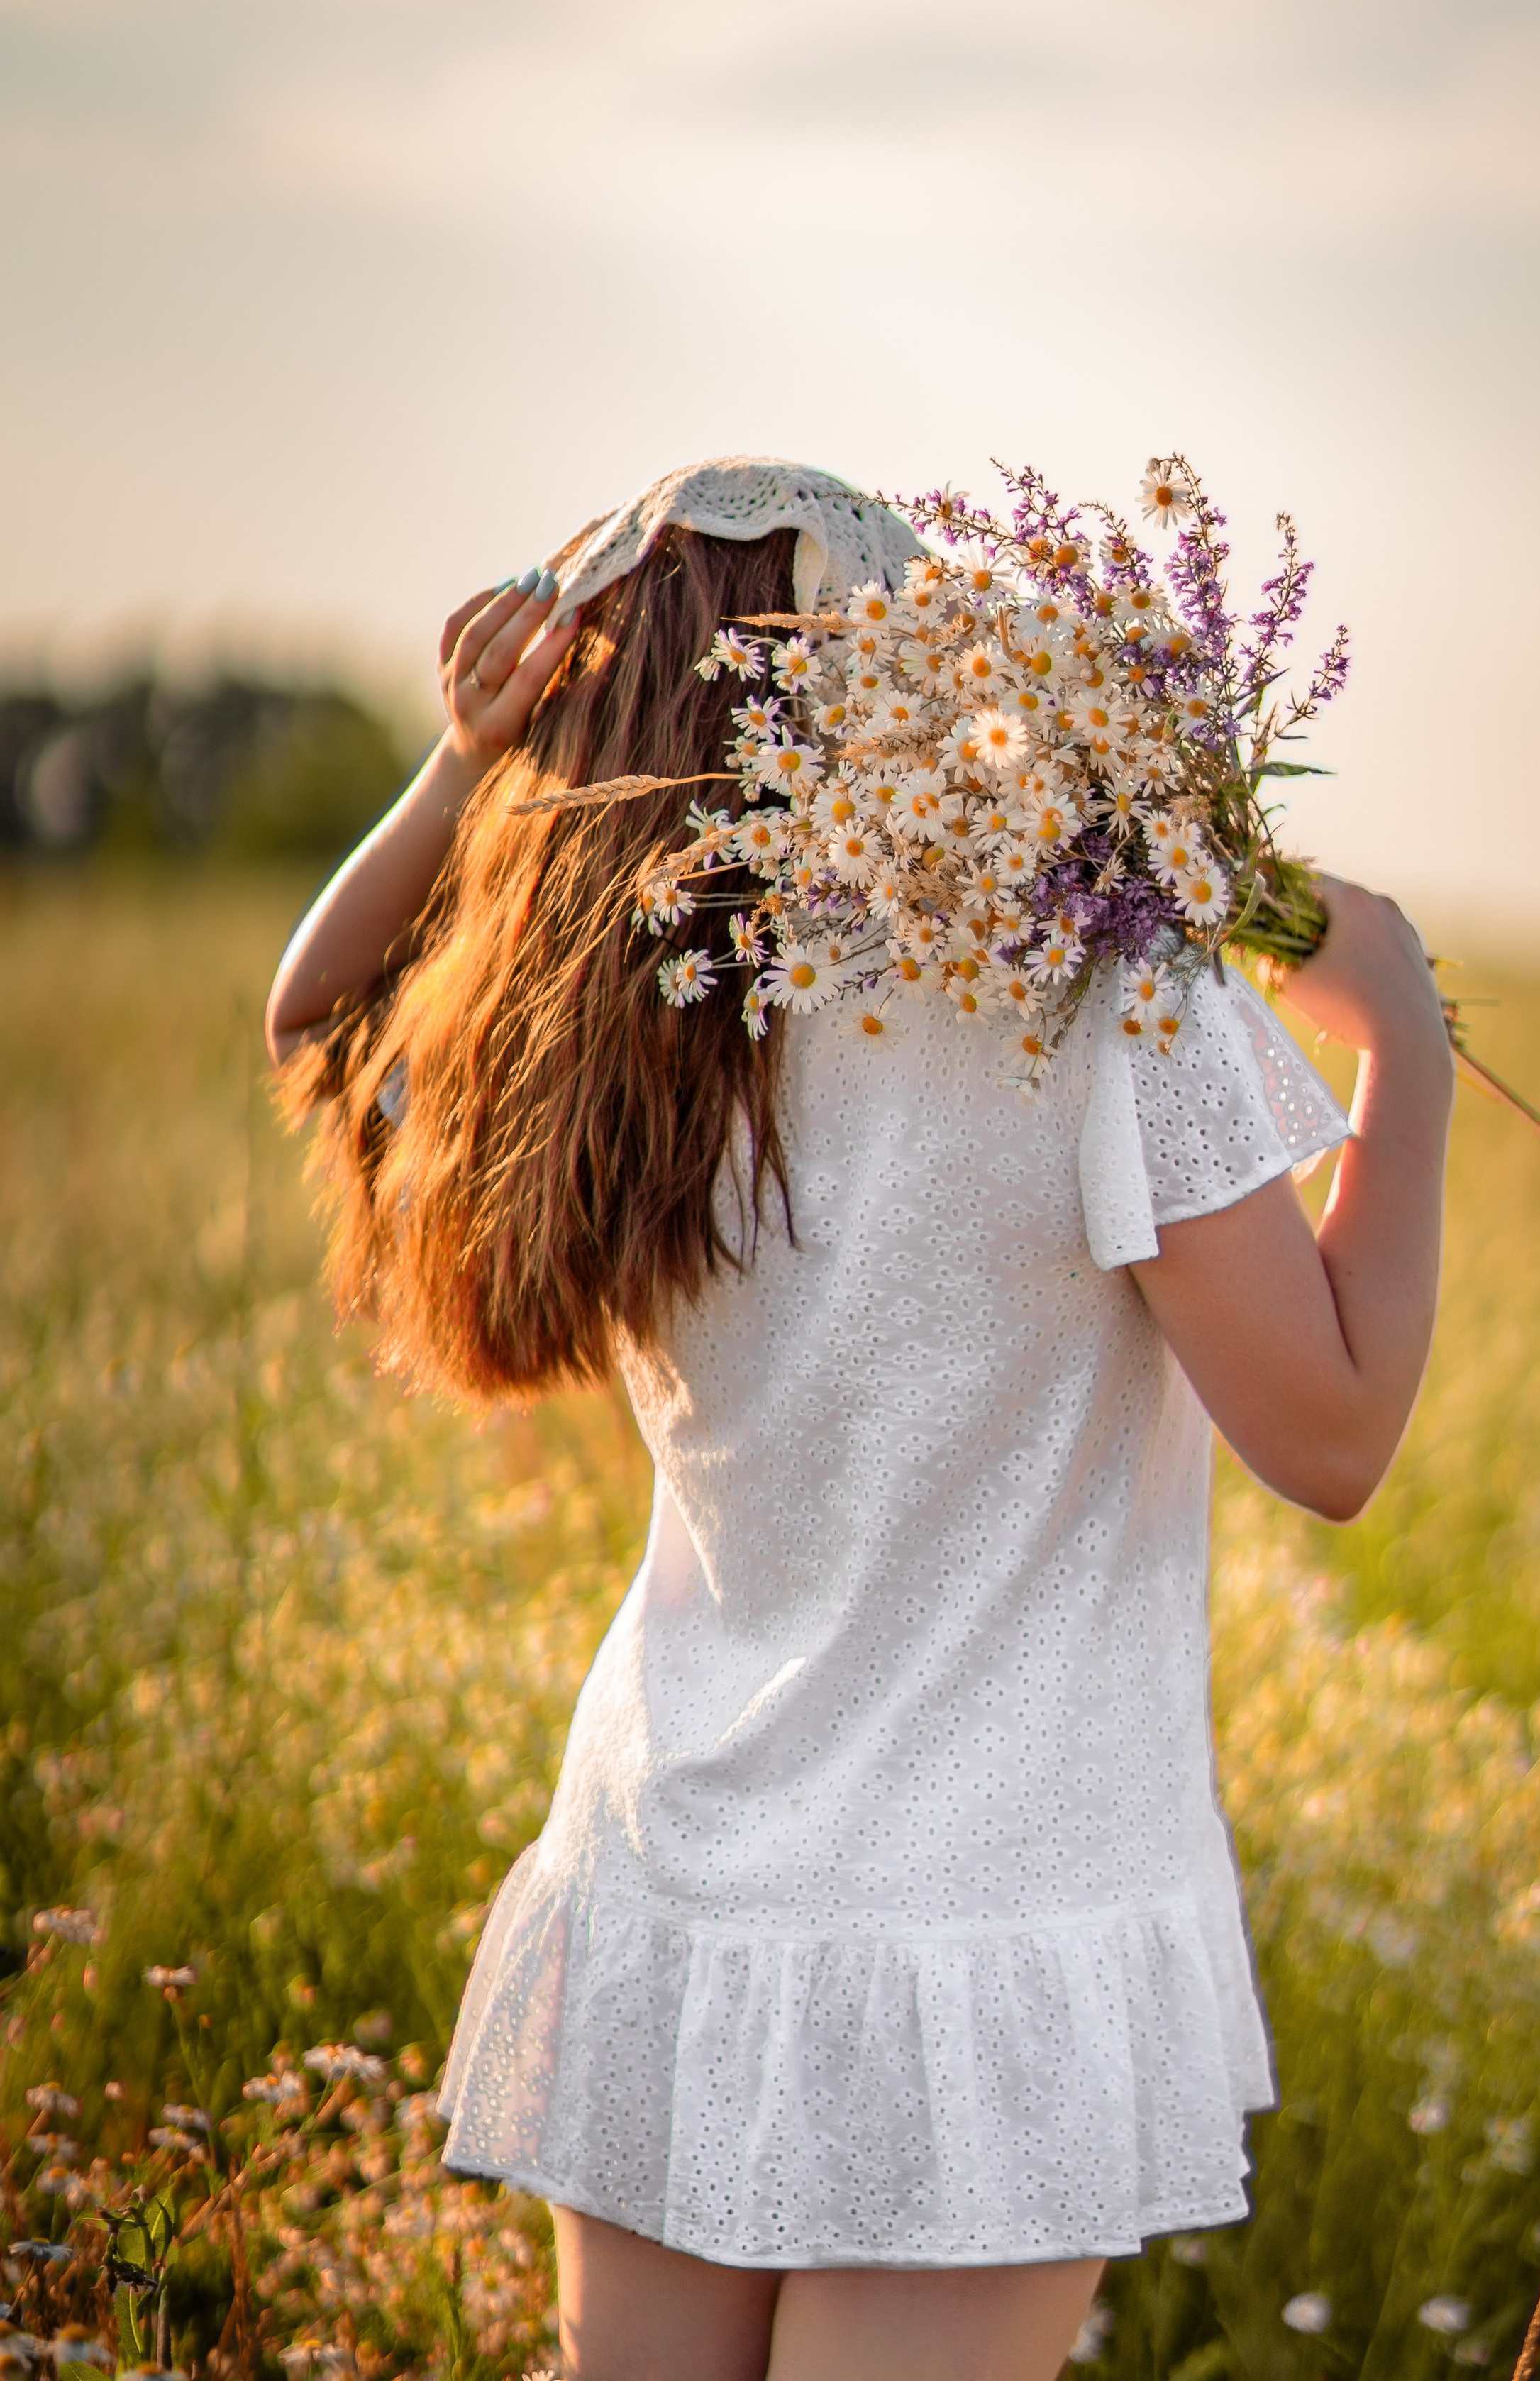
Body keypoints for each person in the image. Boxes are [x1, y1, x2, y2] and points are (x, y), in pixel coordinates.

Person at [266, 459, 1455, 2381]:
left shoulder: (610, 1028)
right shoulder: (1101, 988)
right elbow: (1332, 1438)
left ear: (591, 710)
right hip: (981, 1945)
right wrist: (1402, 1042)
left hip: (674, 1888)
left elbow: (311, 1021)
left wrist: (459, 766)